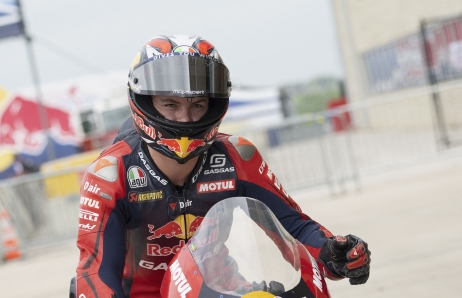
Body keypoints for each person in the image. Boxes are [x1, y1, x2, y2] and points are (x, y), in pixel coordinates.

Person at [75, 34, 371, 298]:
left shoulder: (238, 156)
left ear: (214, 105)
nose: (186, 119)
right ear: (145, 103)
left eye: (198, 105)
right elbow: (95, 271)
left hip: (220, 289)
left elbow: (293, 227)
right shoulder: (109, 174)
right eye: (170, 105)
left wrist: (334, 252)